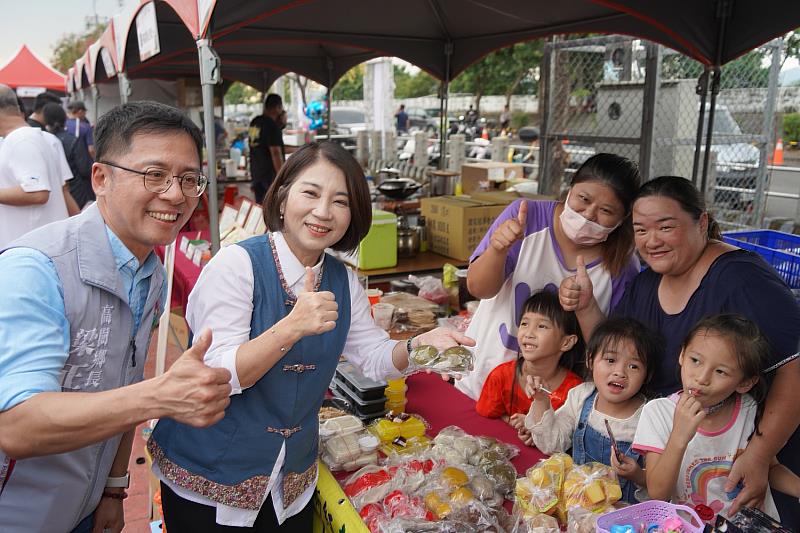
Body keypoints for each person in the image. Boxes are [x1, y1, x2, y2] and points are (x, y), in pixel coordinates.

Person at [147, 141, 473, 531]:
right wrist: (292, 325)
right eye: (311, 193)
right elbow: (218, 374)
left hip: (291, 480)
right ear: (282, 198)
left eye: (340, 201)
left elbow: (372, 357)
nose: (323, 212)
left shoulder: (343, 279)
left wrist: (417, 347)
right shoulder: (237, 266)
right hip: (210, 476)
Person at [0, 101, 234, 533]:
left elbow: (124, 385)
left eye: (188, 179)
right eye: (155, 175)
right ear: (101, 178)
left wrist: (113, 490)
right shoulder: (36, 269)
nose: (175, 195)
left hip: (84, 509)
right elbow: (16, 425)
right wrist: (160, 396)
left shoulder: (151, 272)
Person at [560, 175, 800, 525]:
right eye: (640, 230)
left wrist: (761, 454)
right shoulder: (646, 283)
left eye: (665, 226)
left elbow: (793, 365)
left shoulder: (743, 280)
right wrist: (585, 306)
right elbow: (617, 357)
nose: (651, 240)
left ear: (701, 222)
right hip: (677, 470)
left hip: (740, 463)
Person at [456, 153, 641, 400]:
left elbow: (611, 350)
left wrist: (586, 307)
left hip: (557, 406)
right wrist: (497, 251)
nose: (588, 214)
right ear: (570, 188)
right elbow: (478, 288)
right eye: (583, 199)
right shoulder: (526, 216)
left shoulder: (623, 266)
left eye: (606, 211)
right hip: (486, 379)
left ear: (623, 219)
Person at [633, 314, 781, 520]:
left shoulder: (748, 409)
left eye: (720, 371)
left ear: (744, 383)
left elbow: (769, 467)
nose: (702, 378)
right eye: (695, 361)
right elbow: (658, 492)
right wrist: (679, 436)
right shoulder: (658, 413)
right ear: (682, 354)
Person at [525, 317, 661, 504]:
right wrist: (541, 401)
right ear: (590, 360)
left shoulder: (650, 418)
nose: (620, 372)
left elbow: (661, 485)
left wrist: (638, 476)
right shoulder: (581, 397)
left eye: (633, 366)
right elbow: (552, 444)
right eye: (611, 360)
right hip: (576, 504)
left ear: (647, 375)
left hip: (620, 518)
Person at [476, 289, 584, 445]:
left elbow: (569, 439)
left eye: (541, 326)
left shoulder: (575, 392)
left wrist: (536, 428)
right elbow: (486, 417)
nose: (528, 333)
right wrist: (514, 422)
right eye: (524, 323)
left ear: (566, 342)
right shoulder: (501, 376)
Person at [0, 85, 77, 248]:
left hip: (31, 252)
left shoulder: (22, 140)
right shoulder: (37, 138)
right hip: (36, 249)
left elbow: (37, 193)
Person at [44, 102, 95, 209]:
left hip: (54, 195)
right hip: (78, 193)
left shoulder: (44, 141)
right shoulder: (77, 135)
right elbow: (85, 168)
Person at [248, 93, 285, 204]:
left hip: (256, 174)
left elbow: (262, 146)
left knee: (260, 208)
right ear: (278, 107)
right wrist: (282, 177)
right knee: (270, 209)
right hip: (269, 178)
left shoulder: (255, 122)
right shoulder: (272, 126)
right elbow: (275, 153)